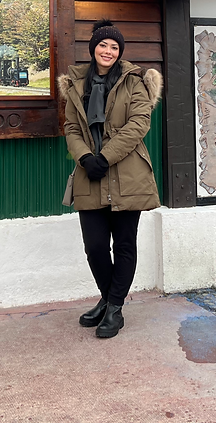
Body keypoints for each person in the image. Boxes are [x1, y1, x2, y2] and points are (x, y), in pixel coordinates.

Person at [58, 19, 162, 338]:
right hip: (90, 173)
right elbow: (72, 127)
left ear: (120, 53)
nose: (108, 51)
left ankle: (113, 307)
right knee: (96, 246)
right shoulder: (78, 83)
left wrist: (106, 156)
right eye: (103, 45)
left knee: (125, 244)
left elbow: (138, 125)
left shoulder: (136, 82)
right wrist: (86, 157)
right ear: (93, 49)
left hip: (127, 172)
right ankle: (107, 300)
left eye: (114, 47)